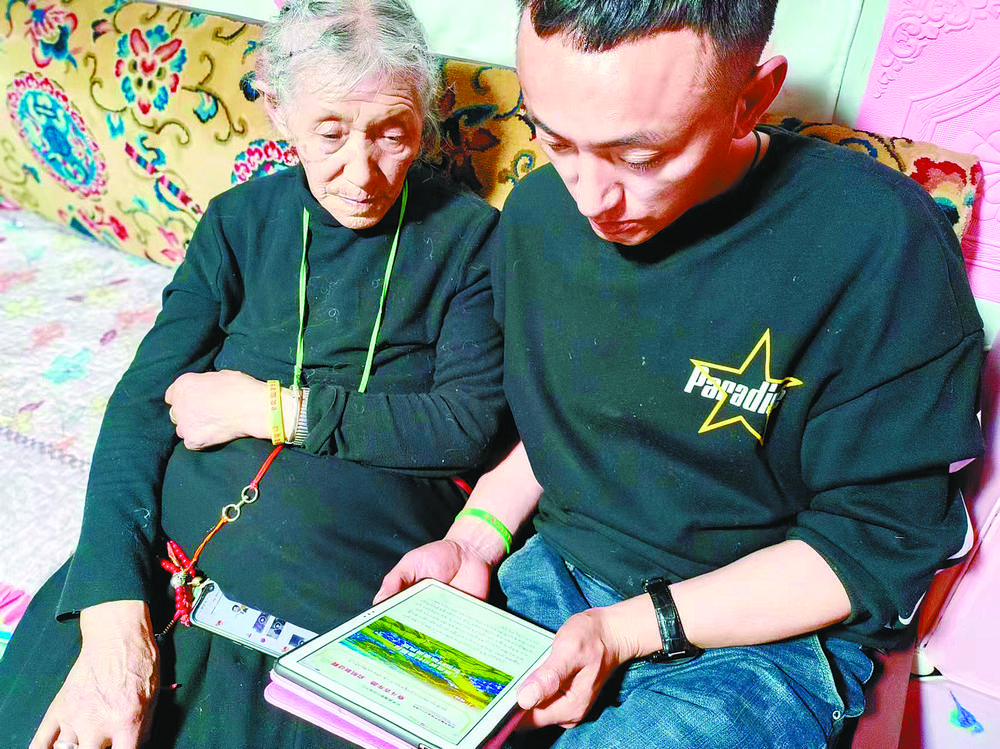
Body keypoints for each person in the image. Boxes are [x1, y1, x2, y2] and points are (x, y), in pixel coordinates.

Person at [376, 1, 985, 747]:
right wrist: (474, 541)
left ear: (750, 100)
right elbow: (567, 424)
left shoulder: (881, 241)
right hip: (560, 574)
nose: (589, 198)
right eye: (555, 139)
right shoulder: (536, 215)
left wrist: (628, 629)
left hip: (768, 643)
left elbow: (873, 544)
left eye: (638, 157)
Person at [0, 1, 508, 747]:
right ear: (278, 112)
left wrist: (271, 410)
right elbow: (141, 405)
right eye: (330, 134)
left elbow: (466, 427)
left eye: (393, 133)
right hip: (162, 564)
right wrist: (111, 615)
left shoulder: (469, 240)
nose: (362, 173)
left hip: (334, 593)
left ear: (425, 118)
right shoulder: (237, 222)